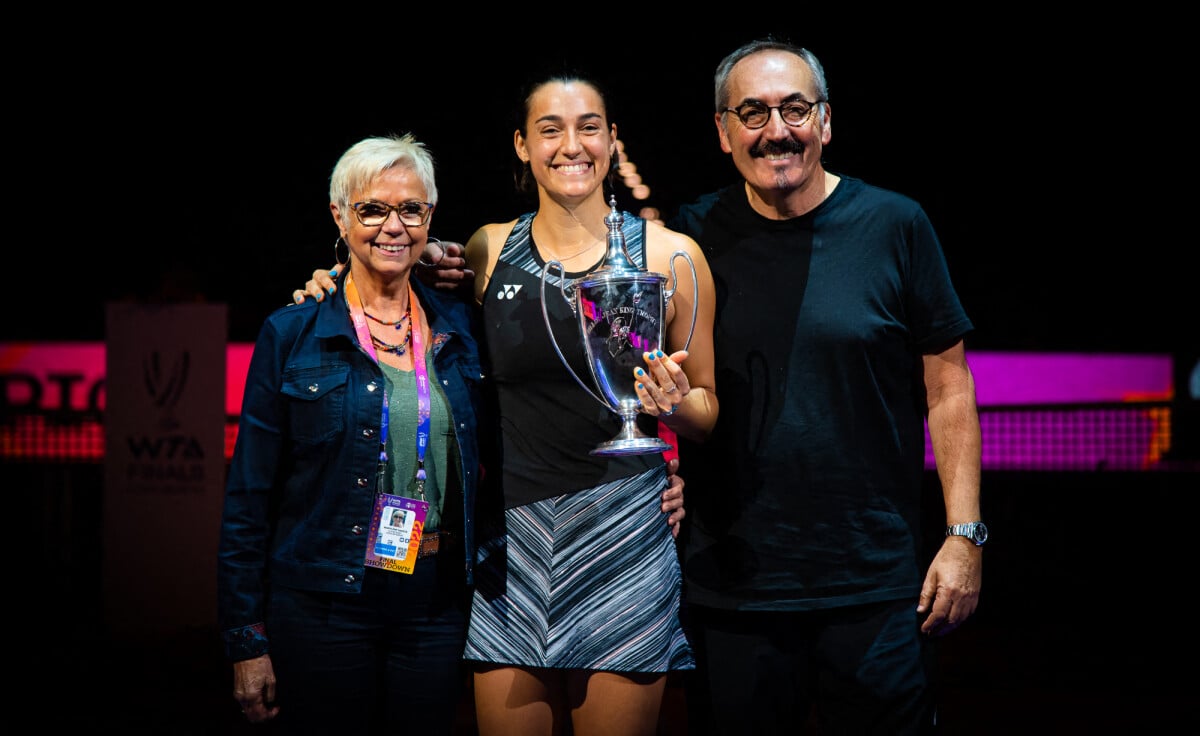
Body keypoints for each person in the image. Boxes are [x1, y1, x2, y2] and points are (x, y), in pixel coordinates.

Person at [303, 38, 984, 735]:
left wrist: (964, 533)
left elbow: (724, 410)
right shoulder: (516, 246)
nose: (775, 129)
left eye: (793, 109)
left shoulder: (697, 249)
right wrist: (333, 286)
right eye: (751, 112)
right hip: (596, 561)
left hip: (744, 561)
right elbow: (400, 269)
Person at [290, 76, 712, 736]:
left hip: (626, 539)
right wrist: (331, 280)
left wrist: (678, 404)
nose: (570, 145)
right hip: (507, 548)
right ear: (521, 144)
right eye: (550, 129)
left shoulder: (673, 255)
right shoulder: (488, 249)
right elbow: (388, 272)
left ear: (612, 139)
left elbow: (709, 408)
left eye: (589, 126)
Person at [216, 133, 487, 735]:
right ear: (340, 215)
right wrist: (244, 641)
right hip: (322, 607)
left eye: (411, 209)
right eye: (372, 209)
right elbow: (247, 500)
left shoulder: (464, 329)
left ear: (430, 218)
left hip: (435, 604)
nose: (393, 226)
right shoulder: (291, 333)